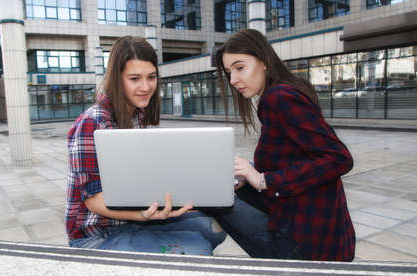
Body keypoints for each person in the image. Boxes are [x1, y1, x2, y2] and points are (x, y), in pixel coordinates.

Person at [66, 36, 225, 255]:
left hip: (133, 221)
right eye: (134, 79)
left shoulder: (137, 115)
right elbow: (93, 201)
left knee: (214, 229)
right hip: (96, 236)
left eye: (151, 77)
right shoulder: (92, 123)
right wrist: (144, 214)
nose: (146, 87)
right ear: (117, 79)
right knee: (198, 250)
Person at [214, 28, 356, 261]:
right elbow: (296, 163)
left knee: (209, 200)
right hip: (310, 229)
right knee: (228, 181)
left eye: (240, 68)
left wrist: (262, 180)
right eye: (229, 72)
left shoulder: (280, 97)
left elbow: (338, 158)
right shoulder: (281, 94)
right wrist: (249, 180)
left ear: (264, 61)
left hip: (303, 244)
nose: (233, 79)